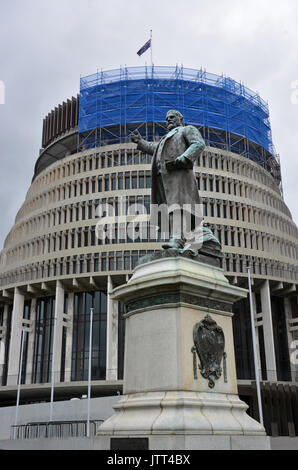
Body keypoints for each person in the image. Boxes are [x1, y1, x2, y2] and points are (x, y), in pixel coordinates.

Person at [131, 110, 220, 252]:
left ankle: (178, 239)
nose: (168, 120)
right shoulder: (165, 138)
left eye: (171, 117)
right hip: (164, 179)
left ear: (180, 118)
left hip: (179, 175)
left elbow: (198, 144)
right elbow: (156, 149)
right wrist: (141, 143)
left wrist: (184, 158)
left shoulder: (186, 130)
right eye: (166, 119)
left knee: (177, 206)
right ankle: (180, 236)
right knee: (170, 208)